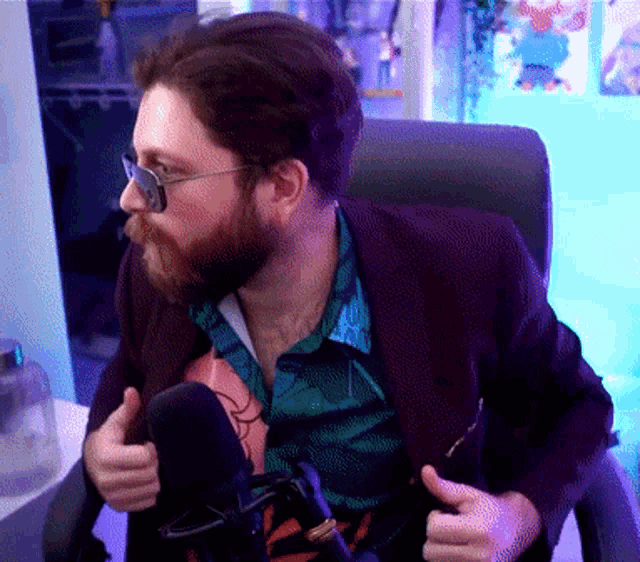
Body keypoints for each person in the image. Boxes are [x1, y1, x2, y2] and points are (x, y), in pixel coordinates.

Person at [82, 11, 614, 562]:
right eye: (136, 165)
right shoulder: (163, 261)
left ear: (282, 187)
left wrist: (518, 517)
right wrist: (101, 450)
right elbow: (131, 376)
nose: (131, 200)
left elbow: (583, 406)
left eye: (164, 173)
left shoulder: (470, 268)